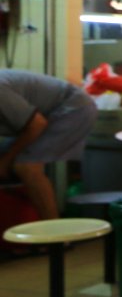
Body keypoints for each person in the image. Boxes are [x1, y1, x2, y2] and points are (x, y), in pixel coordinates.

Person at [0, 71, 97, 220]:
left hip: (73, 108)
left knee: (27, 167)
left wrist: (6, 160)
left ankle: (55, 236)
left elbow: (36, 124)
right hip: (46, 115)